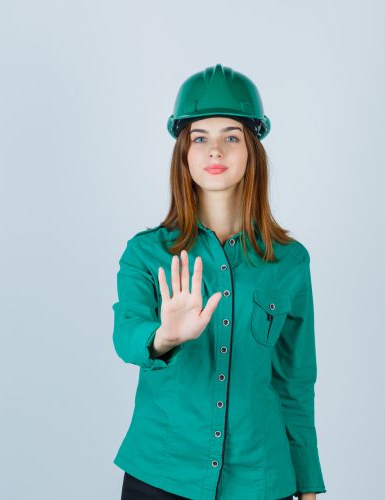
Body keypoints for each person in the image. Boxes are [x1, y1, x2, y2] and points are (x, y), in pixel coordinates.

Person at [112, 63, 326, 500]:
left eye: (231, 136)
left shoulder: (289, 261)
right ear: (183, 153)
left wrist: (307, 481)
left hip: (262, 480)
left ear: (252, 150)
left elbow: (294, 381)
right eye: (200, 138)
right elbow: (126, 335)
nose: (215, 151)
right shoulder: (146, 253)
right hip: (161, 475)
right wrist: (164, 336)